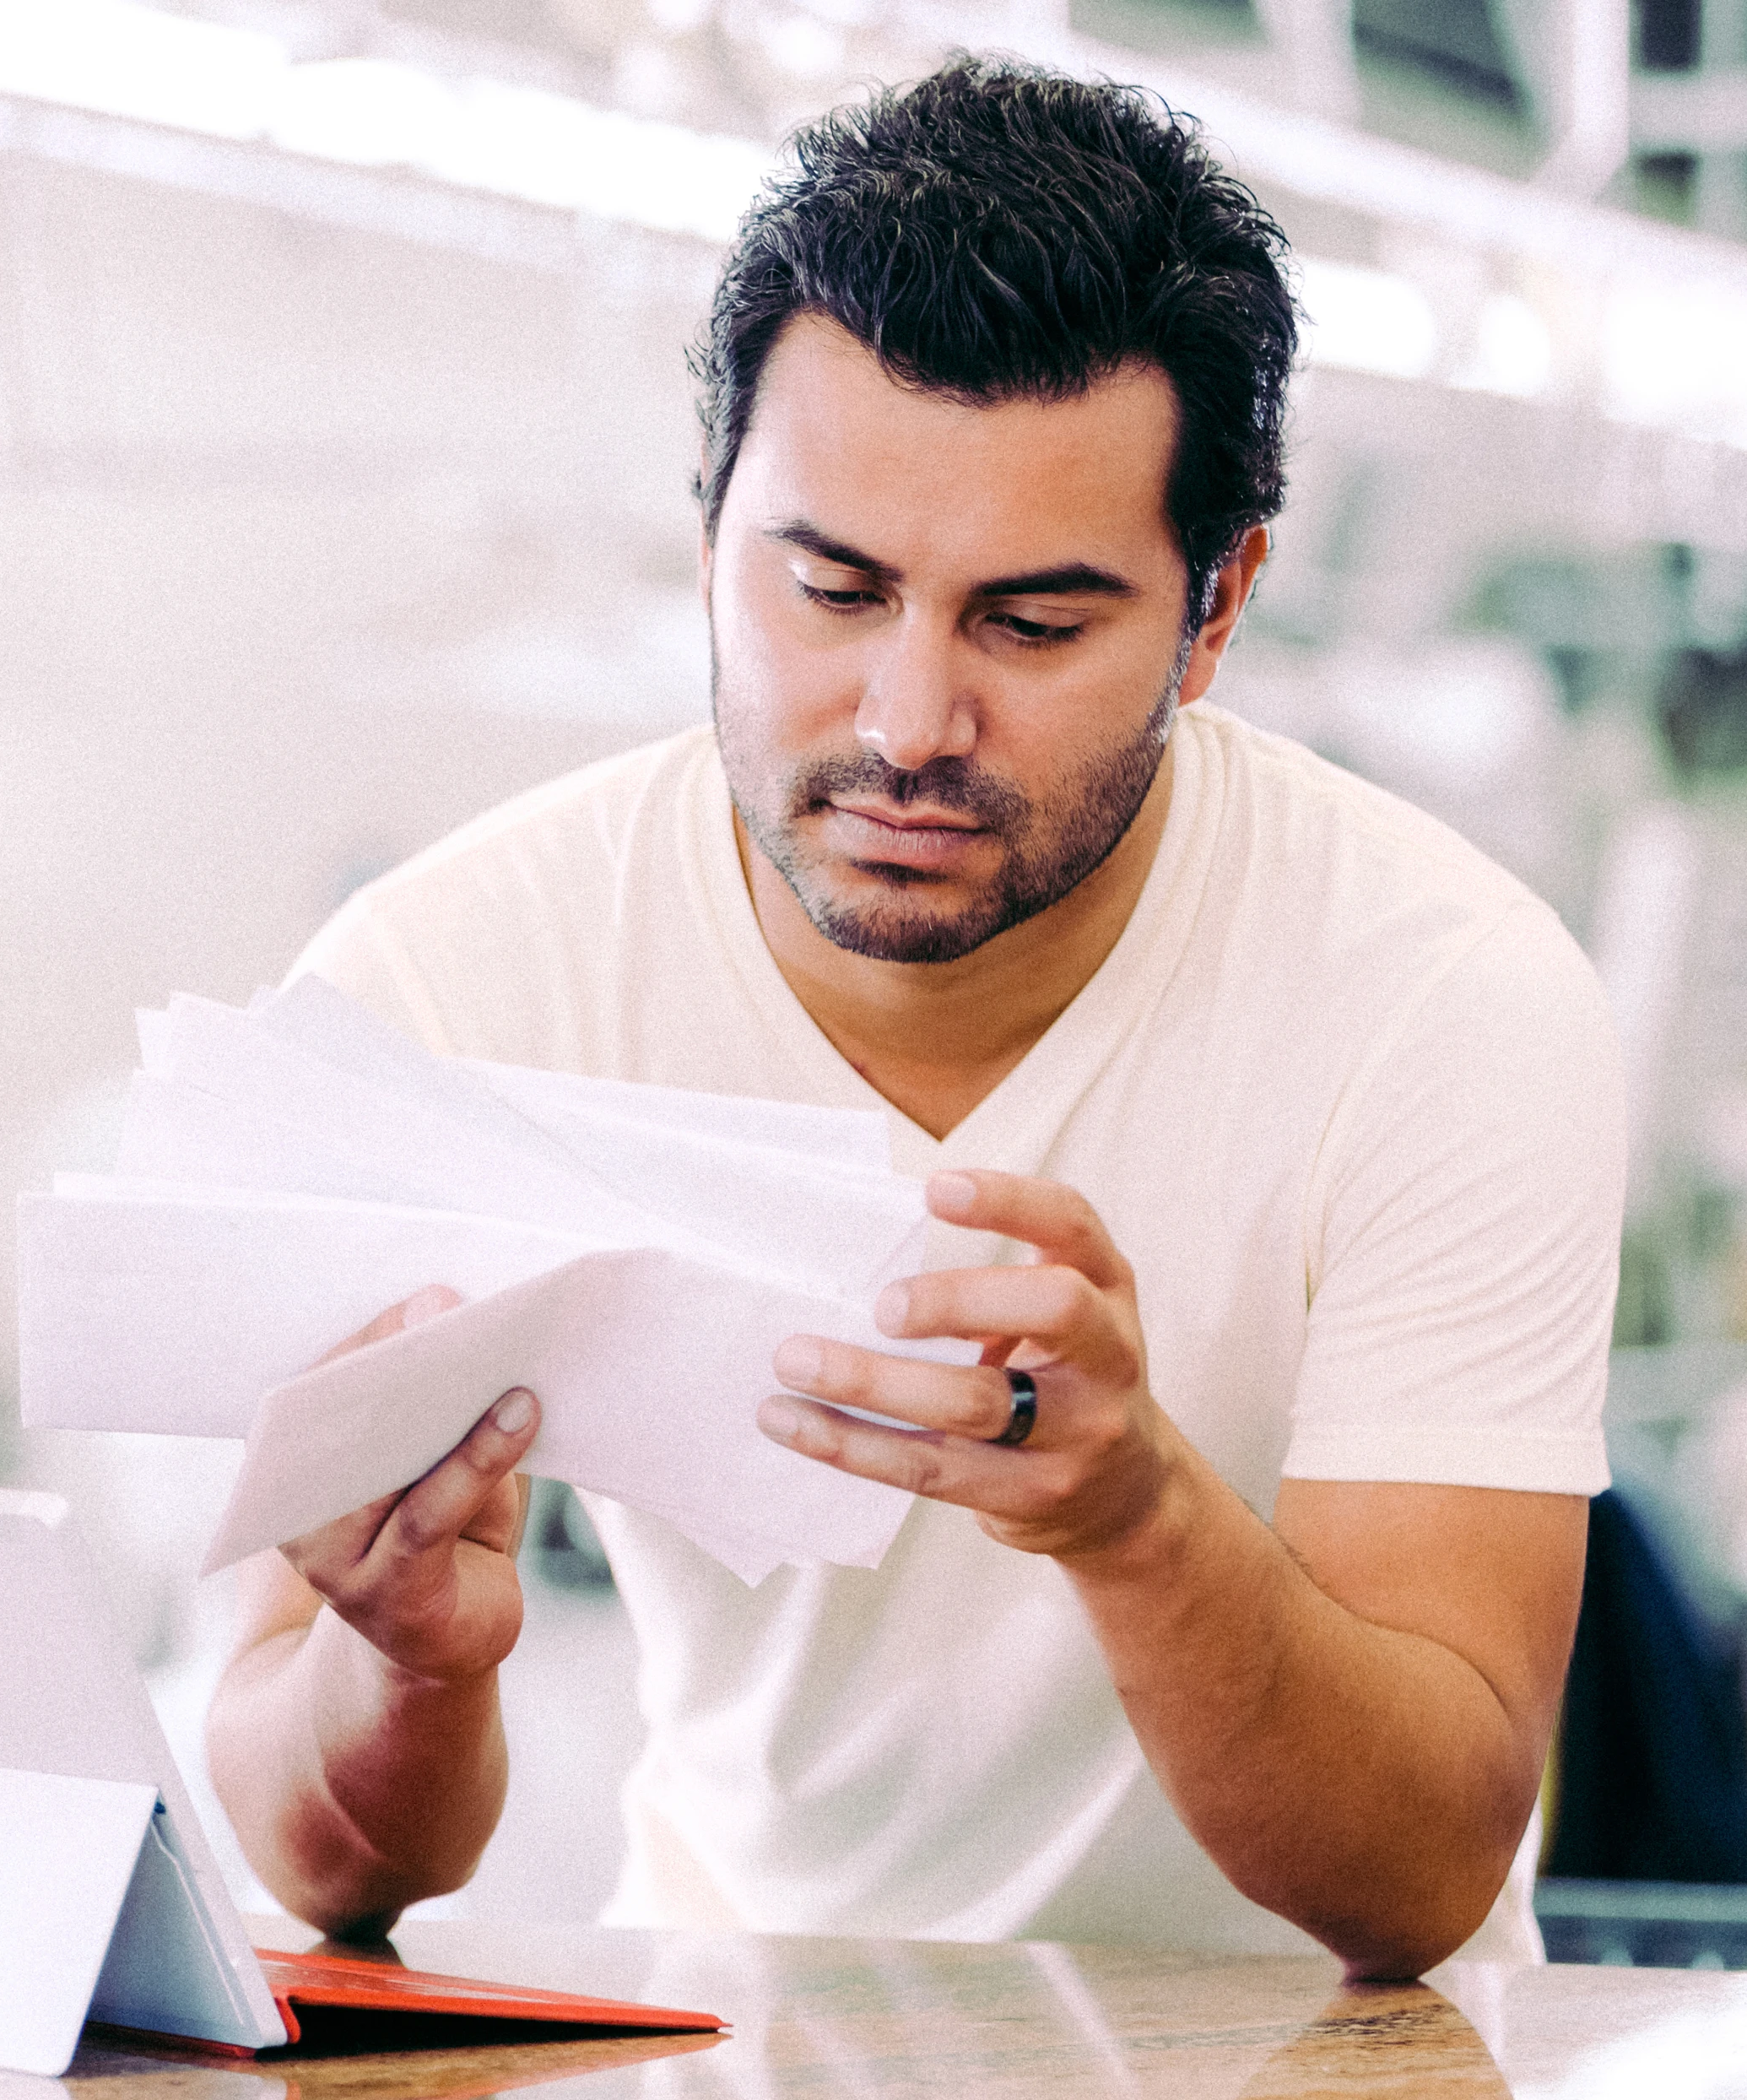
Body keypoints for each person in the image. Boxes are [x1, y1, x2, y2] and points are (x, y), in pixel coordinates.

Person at [203, 55, 1620, 1980]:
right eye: (827, 586)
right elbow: (316, 1863)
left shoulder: (1442, 998)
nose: (902, 721)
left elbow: (1419, 1866)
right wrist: (399, 1657)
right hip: (745, 2031)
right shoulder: (445, 980)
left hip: (1313, 2055)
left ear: (1215, 610)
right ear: (707, 528)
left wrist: (1134, 1513)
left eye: (1029, 626)